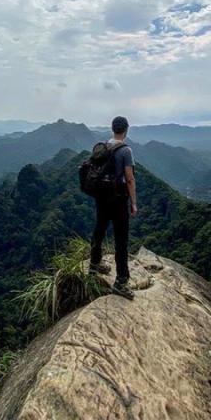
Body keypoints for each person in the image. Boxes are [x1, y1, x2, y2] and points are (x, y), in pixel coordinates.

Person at [89, 115, 138, 299]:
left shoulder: (104, 147)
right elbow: (130, 179)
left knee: (99, 231)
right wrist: (133, 203)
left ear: (112, 129)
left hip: (101, 198)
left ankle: (94, 266)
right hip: (118, 200)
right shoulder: (126, 151)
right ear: (126, 130)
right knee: (121, 240)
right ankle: (121, 282)